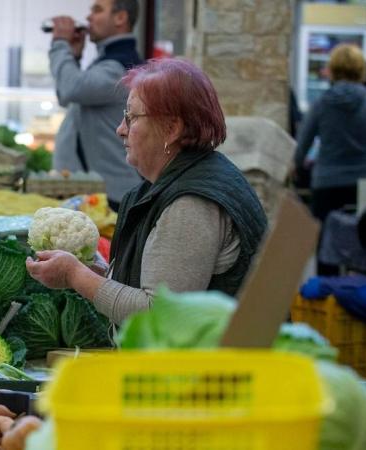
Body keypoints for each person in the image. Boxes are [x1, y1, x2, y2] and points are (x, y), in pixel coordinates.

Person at [26, 58, 267, 324]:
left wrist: (75, 276)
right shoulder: (178, 182)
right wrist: (93, 271)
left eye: (131, 117)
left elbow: (158, 315)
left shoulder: (192, 204)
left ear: (171, 129)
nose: (120, 129)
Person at [49, 0, 143, 211]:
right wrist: (73, 57)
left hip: (111, 199)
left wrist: (60, 44)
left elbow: (69, 89)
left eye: (97, 10)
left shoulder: (120, 67)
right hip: (99, 194)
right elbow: (69, 95)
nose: (89, 17)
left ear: (121, 18)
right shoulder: (110, 60)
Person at [294, 44, 366, 275]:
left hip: (326, 182)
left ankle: (326, 300)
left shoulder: (322, 103)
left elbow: (303, 143)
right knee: (363, 245)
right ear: (360, 69)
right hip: (362, 185)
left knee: (326, 248)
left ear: (333, 68)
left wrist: (297, 166)